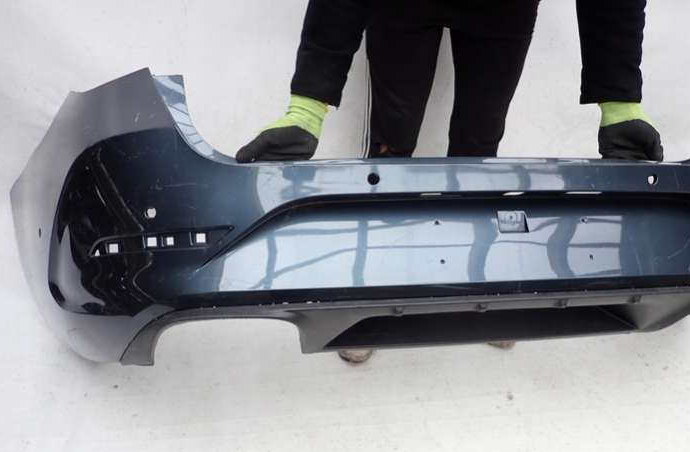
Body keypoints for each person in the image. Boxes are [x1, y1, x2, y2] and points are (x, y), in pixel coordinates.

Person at [237, 0, 664, 363]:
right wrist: (306, 109)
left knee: (479, 149)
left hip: (503, 9)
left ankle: (477, 286)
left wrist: (620, 104)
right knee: (390, 150)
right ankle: (375, 290)